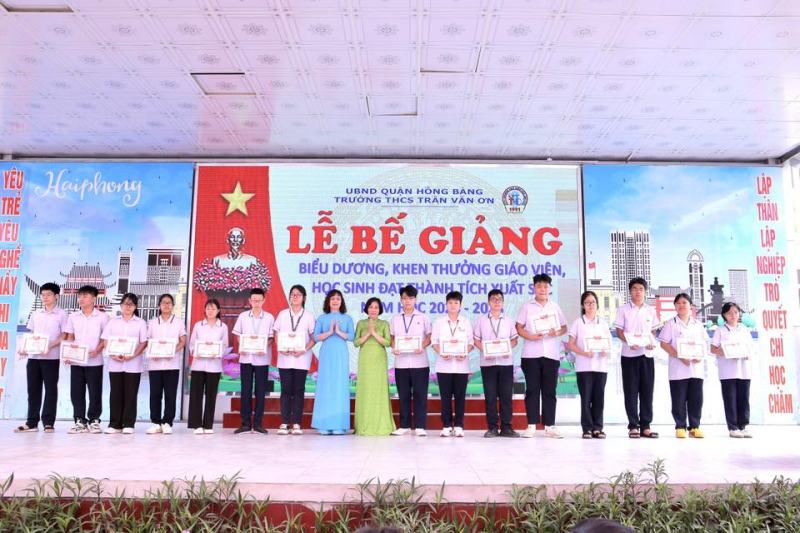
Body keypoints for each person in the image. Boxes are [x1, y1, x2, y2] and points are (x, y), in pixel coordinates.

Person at [515, 273, 567, 438]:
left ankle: (550, 426)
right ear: (534, 287)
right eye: (539, 286)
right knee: (532, 390)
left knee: (549, 391)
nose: (542, 289)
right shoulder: (527, 307)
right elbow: (518, 327)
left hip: (551, 355)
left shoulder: (555, 307)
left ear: (550, 288)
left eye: (545, 286)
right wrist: (530, 336)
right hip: (531, 354)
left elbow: (564, 327)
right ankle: (531, 425)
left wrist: (556, 332)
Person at [15, 282, 67, 433]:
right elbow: (31, 334)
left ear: (56, 296)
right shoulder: (36, 313)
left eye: (48, 294)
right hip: (33, 357)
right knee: (33, 390)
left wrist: (49, 345)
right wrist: (25, 347)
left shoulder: (62, 314)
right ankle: (31, 422)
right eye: (43, 294)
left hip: (51, 358)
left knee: (50, 390)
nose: (45, 297)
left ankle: (48, 422)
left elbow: (64, 335)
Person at [614, 277, 659, 439]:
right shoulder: (623, 309)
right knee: (631, 391)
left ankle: (646, 425)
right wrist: (628, 342)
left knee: (647, 392)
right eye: (634, 289)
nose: (637, 292)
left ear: (645, 291)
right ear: (630, 291)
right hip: (629, 355)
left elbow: (653, 331)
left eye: (641, 289)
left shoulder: (650, 310)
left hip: (647, 355)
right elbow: (619, 331)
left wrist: (650, 341)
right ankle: (633, 426)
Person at [658, 293, 707, 439]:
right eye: (678, 303)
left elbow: (704, 343)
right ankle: (680, 426)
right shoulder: (670, 324)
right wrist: (680, 356)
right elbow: (663, 344)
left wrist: (700, 356)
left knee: (696, 400)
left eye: (684, 302)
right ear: (674, 306)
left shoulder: (698, 324)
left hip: (696, 369)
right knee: (678, 400)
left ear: (690, 306)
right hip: (678, 369)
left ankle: (695, 426)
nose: (681, 305)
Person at [63, 285, 109, 434]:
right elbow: (70, 336)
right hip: (76, 360)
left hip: (95, 361)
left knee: (95, 392)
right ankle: (79, 421)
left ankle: (94, 420)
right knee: (76, 392)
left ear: (94, 298)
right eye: (80, 296)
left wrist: (98, 350)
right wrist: (68, 353)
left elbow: (105, 338)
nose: (81, 299)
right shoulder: (73, 316)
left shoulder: (102, 317)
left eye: (85, 296)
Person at [474, 289, 519, 438]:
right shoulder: (481, 320)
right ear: (489, 302)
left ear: (503, 302)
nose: (497, 301)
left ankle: (506, 427)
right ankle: (492, 427)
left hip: (506, 363)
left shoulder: (509, 320)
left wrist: (508, 349)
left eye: (499, 299)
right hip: (487, 364)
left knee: (506, 395)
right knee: (490, 396)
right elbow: (476, 340)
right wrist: (486, 351)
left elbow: (514, 340)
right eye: (493, 299)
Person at [566, 290, 610, 439]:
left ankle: (598, 427)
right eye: (587, 302)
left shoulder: (603, 323)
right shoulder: (578, 323)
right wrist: (584, 353)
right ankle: (587, 428)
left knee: (599, 399)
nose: (591, 305)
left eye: (593, 302)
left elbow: (608, 343)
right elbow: (571, 344)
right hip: (583, 367)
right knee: (586, 399)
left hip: (600, 367)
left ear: (597, 305)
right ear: (583, 305)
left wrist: (605, 351)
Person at [102, 292, 148, 434]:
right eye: (125, 304)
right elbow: (105, 340)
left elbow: (144, 342)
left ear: (135, 307)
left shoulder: (141, 323)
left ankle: (129, 423)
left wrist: (133, 355)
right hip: (115, 363)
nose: (128, 307)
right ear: (121, 305)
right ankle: (114, 424)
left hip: (133, 364)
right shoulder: (113, 322)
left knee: (131, 394)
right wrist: (112, 354)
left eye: (131, 304)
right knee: (115, 394)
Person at [389, 285, 431, 437]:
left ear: (415, 300)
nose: (407, 301)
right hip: (401, 363)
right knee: (403, 395)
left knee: (420, 394)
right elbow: (392, 338)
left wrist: (422, 346)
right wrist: (394, 347)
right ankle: (404, 425)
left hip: (420, 362)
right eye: (405, 298)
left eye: (410, 298)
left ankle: (420, 426)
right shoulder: (395, 319)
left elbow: (429, 336)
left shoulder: (423, 317)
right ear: (401, 300)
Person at [273, 285, 316, 435]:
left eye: (298, 294)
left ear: (304, 298)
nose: (295, 297)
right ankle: (284, 422)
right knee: (285, 390)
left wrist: (303, 349)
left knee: (298, 390)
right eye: (293, 294)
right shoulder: (283, 314)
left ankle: (297, 423)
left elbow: (314, 338)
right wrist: (280, 347)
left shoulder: (309, 316)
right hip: (284, 359)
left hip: (301, 359)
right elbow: (276, 333)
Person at [311, 289, 354, 435]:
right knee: (326, 386)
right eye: (333, 298)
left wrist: (338, 331)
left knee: (340, 386)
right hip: (327, 353)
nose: (335, 301)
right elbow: (316, 337)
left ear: (342, 302)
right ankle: (324, 424)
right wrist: (329, 332)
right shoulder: (322, 318)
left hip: (341, 353)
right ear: (328, 302)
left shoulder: (347, 318)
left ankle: (339, 425)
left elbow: (352, 337)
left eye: (338, 298)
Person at [232, 288, 275, 434]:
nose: (256, 303)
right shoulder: (243, 316)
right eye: (254, 300)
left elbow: (271, 338)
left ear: (264, 300)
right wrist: (242, 346)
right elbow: (238, 335)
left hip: (262, 359)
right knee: (245, 390)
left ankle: (257, 424)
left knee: (260, 391)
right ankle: (245, 423)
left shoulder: (269, 317)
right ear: (249, 301)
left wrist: (264, 346)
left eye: (259, 300)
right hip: (246, 358)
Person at [431, 291, 474, 438]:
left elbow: (471, 343)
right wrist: (441, 352)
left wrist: (465, 352)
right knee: (445, 397)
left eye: (456, 303)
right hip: (444, 366)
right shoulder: (439, 322)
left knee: (460, 397)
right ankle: (446, 426)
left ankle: (459, 426)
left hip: (462, 366)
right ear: (446, 304)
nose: (453, 305)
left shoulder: (466, 322)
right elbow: (434, 342)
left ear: (460, 305)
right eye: (450, 302)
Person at [145, 293, 186, 435]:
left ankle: (167, 422)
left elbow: (183, 341)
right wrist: (152, 352)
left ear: (173, 305)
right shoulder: (152, 322)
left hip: (172, 364)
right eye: (163, 302)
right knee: (155, 394)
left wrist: (172, 351)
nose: (166, 305)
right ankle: (155, 422)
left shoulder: (178, 322)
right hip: (155, 364)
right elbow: (148, 341)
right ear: (159, 305)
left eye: (169, 303)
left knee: (170, 394)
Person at [354, 297, 396, 436]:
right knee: (365, 388)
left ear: (380, 309)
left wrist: (374, 333)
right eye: (371, 307)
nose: (373, 309)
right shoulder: (361, 323)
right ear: (367, 308)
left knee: (379, 389)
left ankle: (381, 424)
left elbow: (388, 342)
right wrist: (368, 333)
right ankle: (364, 424)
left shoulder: (384, 324)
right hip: (365, 359)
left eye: (376, 307)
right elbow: (356, 343)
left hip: (379, 358)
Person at [711, 302, 753, 438]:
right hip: (727, 371)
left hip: (744, 370)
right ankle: (733, 427)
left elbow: (750, 347)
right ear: (724, 315)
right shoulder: (720, 330)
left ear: (739, 313)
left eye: (735, 312)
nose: (733, 315)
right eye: (729, 313)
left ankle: (743, 426)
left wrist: (746, 353)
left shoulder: (744, 329)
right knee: (730, 400)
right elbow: (713, 349)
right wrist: (726, 351)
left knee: (744, 399)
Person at [188, 299, 229, 434]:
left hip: (214, 366)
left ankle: (208, 425)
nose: (210, 311)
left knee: (211, 396)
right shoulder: (198, 325)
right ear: (204, 310)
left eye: (213, 309)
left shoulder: (223, 327)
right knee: (196, 395)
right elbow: (192, 344)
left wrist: (217, 353)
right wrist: (196, 352)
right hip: (198, 365)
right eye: (208, 308)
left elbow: (224, 345)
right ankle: (196, 425)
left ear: (218, 311)